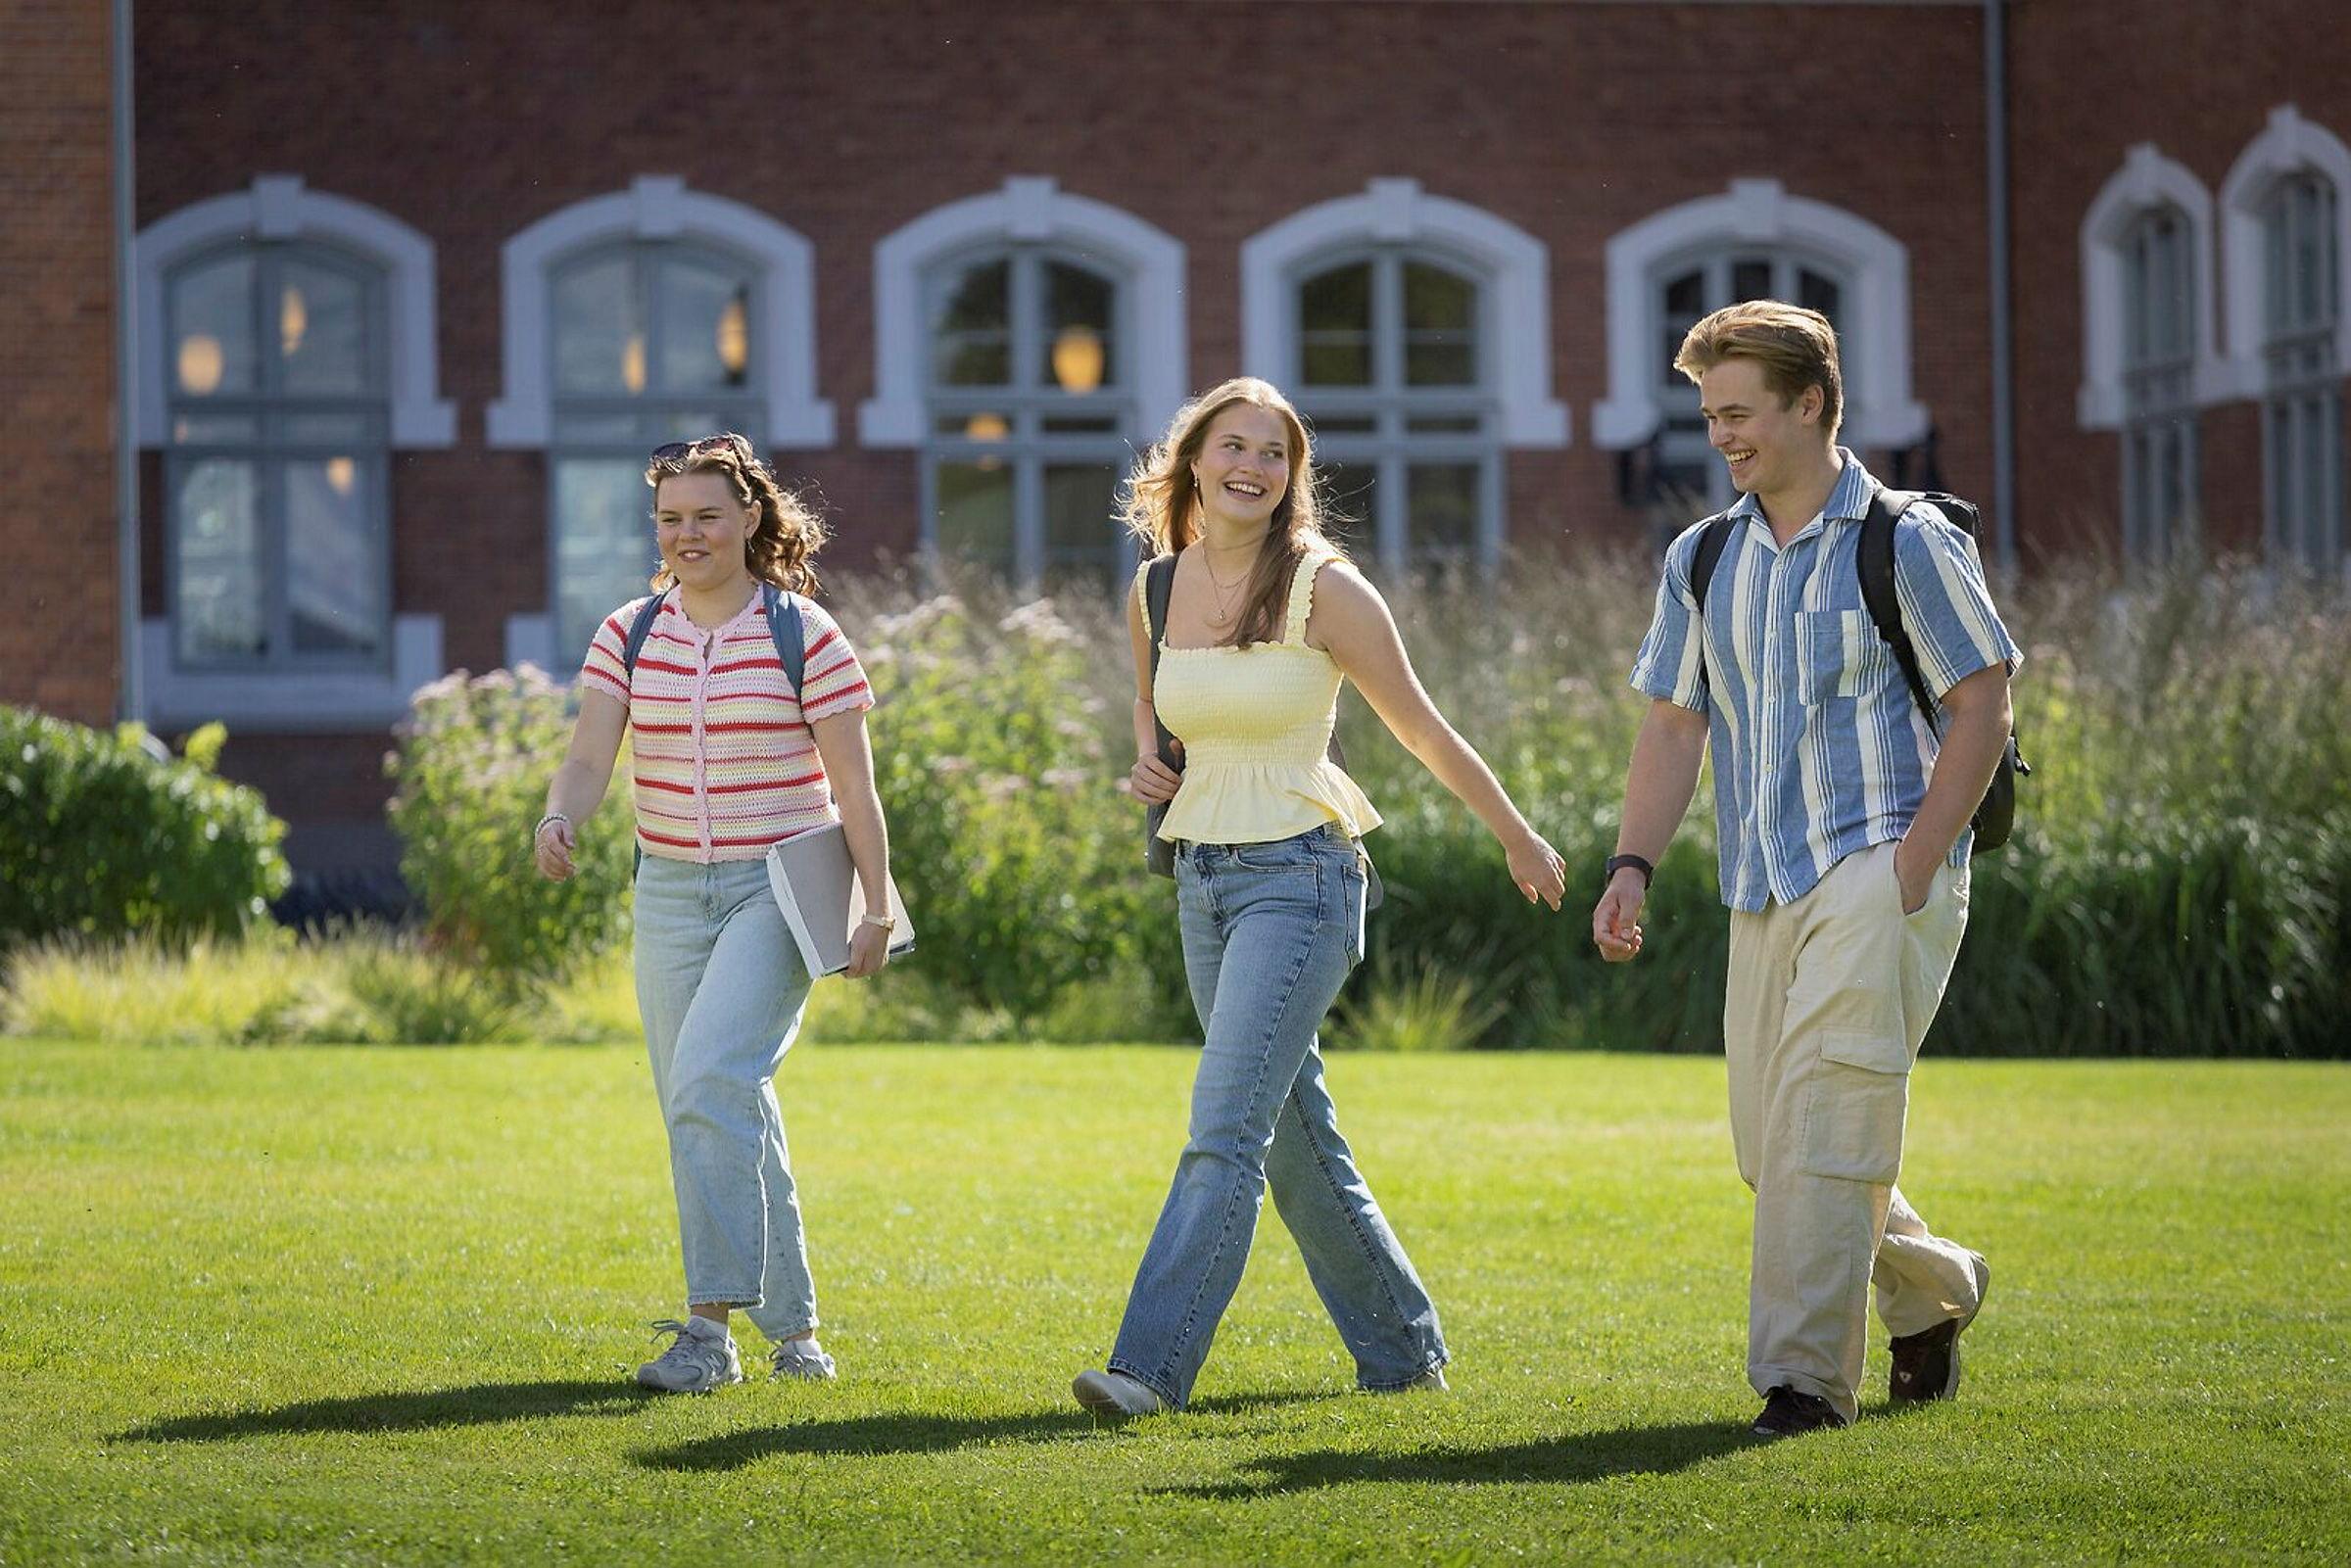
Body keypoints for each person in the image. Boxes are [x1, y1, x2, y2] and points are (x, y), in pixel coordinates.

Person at [1072, 377, 1568, 1418]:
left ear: (1292, 477)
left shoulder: (1323, 587)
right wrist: (1147, 768)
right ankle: (1402, 1350)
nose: (1252, 466)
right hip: (1200, 879)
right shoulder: (1156, 588)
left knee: (1224, 1128)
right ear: (1195, 459)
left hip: (1301, 875)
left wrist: (1516, 832)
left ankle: (1147, 1369)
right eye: (1234, 446)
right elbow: (1152, 709)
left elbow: (1421, 725)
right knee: (1292, 1138)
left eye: (1275, 452)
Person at [1593, 302, 2018, 1438]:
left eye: (1738, 412)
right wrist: (1633, 864)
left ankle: (1803, 1384)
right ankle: (1931, 1290)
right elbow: (1674, 726)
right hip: (1764, 877)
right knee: (1772, 1145)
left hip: (1883, 858)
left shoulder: (1908, 539)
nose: (1719, 435)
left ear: (1812, 403)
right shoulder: (1704, 555)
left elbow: (1984, 704)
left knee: (1827, 1119)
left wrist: (1917, 862)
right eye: (1708, 414)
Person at [534, 432, 893, 1394]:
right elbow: (590, 752)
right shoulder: (631, 632)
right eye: (671, 519)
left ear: (748, 519)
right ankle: (798, 1334)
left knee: (707, 1080)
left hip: (778, 886)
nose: (687, 534)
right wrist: (560, 812)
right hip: (668, 889)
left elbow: (855, 790)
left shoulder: (803, 633)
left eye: (706, 515)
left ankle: (706, 1334)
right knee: (716, 1101)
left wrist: (878, 906)